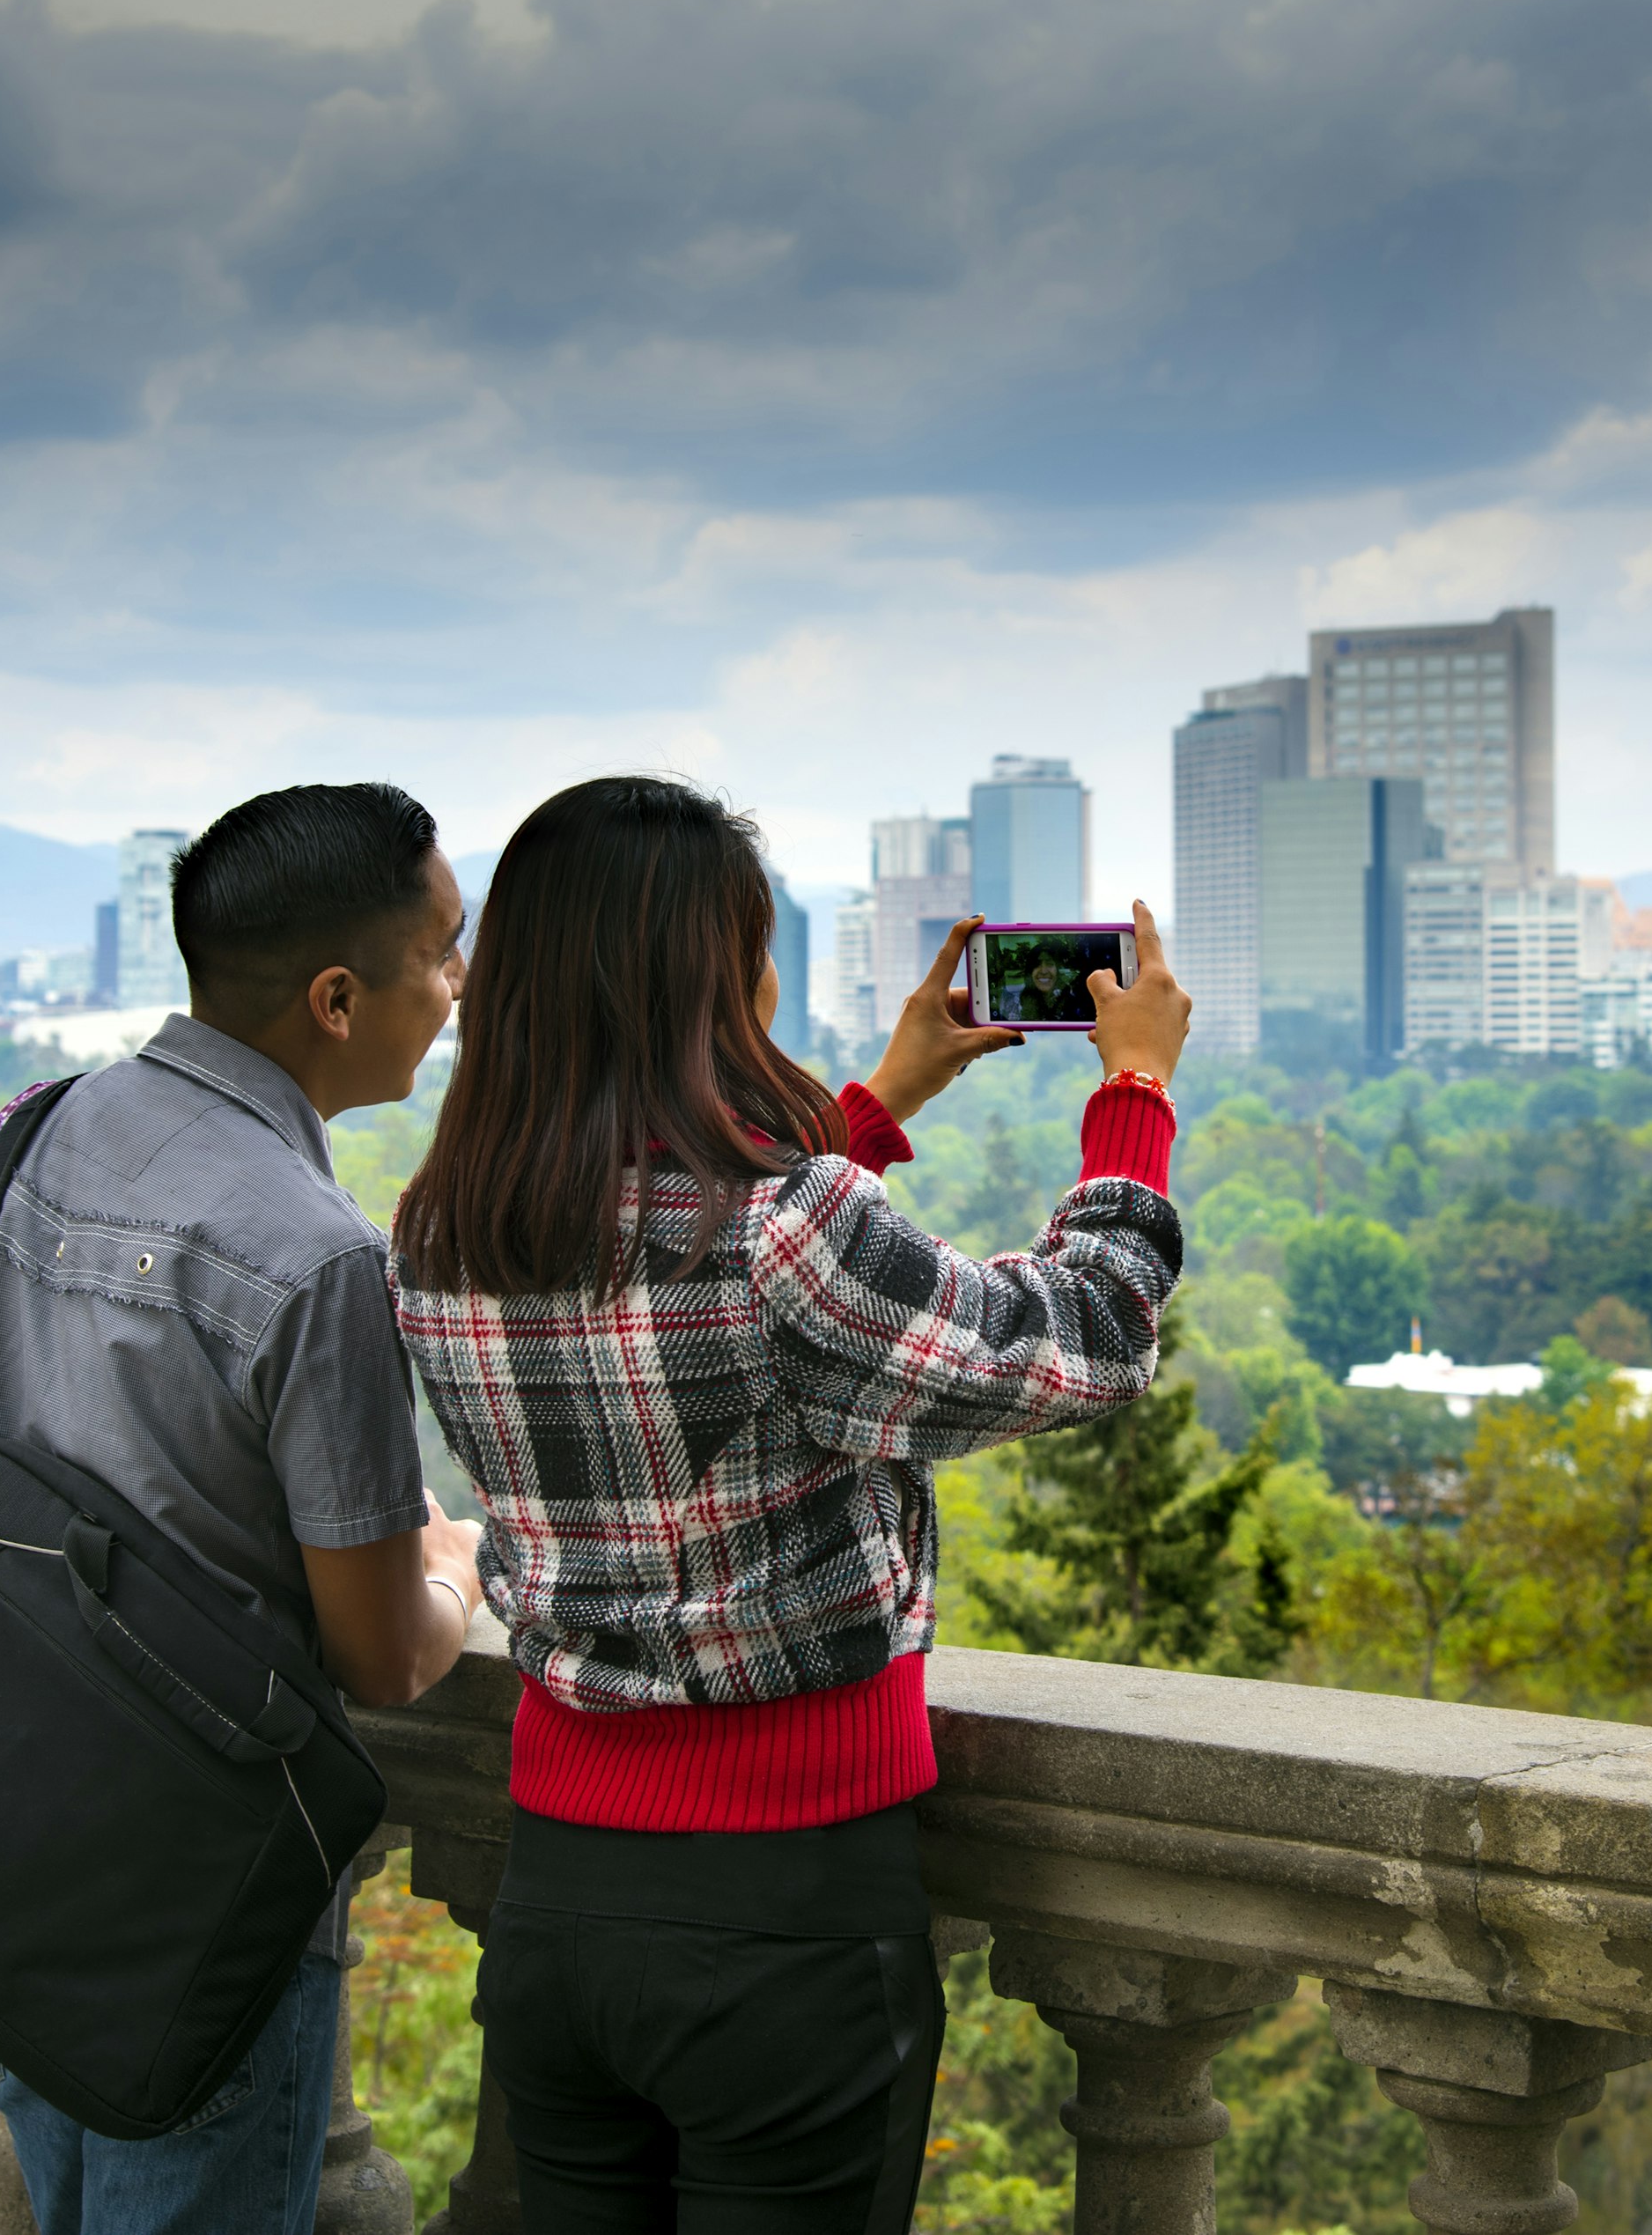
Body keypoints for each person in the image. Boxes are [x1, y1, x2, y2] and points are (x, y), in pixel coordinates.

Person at [389, 776, 1191, 2235]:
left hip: (557, 1899)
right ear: (715, 977)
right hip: (782, 1910)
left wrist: (882, 1099)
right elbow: (1084, 1340)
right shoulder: (785, 1229)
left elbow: (704, 1280)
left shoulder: (447, 1231)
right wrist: (1131, 1100)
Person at [0, 781, 490, 2234]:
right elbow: (381, 1656)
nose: (460, 988)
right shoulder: (314, 1256)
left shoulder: (28, 1132)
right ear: (339, 997)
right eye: (444, 952)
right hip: (193, 1886)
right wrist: (458, 1565)